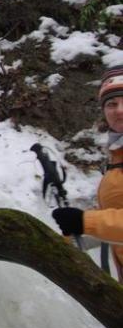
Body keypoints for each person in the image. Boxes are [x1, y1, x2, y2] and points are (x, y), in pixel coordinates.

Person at [53, 65, 123, 282]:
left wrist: (85, 221)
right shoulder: (117, 156)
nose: (119, 110)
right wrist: (76, 237)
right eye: (112, 104)